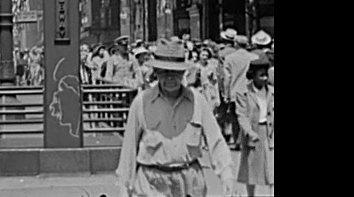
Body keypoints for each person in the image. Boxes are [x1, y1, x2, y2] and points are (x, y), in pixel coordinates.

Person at [116, 39, 234, 197]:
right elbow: (129, 148)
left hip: (189, 181)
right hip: (152, 182)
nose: (170, 78)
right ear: (156, 72)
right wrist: (125, 186)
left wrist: (226, 176)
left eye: (175, 72)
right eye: (164, 72)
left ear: (184, 73)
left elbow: (216, 141)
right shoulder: (142, 102)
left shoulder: (197, 101)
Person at [236, 55, 274, 197]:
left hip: (269, 132)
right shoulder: (243, 93)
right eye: (261, 75)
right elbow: (242, 115)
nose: (264, 79)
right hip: (253, 132)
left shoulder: (272, 92)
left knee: (271, 168)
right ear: (253, 76)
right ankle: (250, 195)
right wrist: (250, 132)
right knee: (251, 169)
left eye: (266, 75)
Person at [223, 35, 259, 150]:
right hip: (251, 90)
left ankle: (237, 141)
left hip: (235, 91)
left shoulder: (229, 58)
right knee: (251, 116)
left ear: (236, 44)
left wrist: (226, 94)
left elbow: (227, 78)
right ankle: (250, 138)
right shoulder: (254, 57)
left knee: (235, 118)